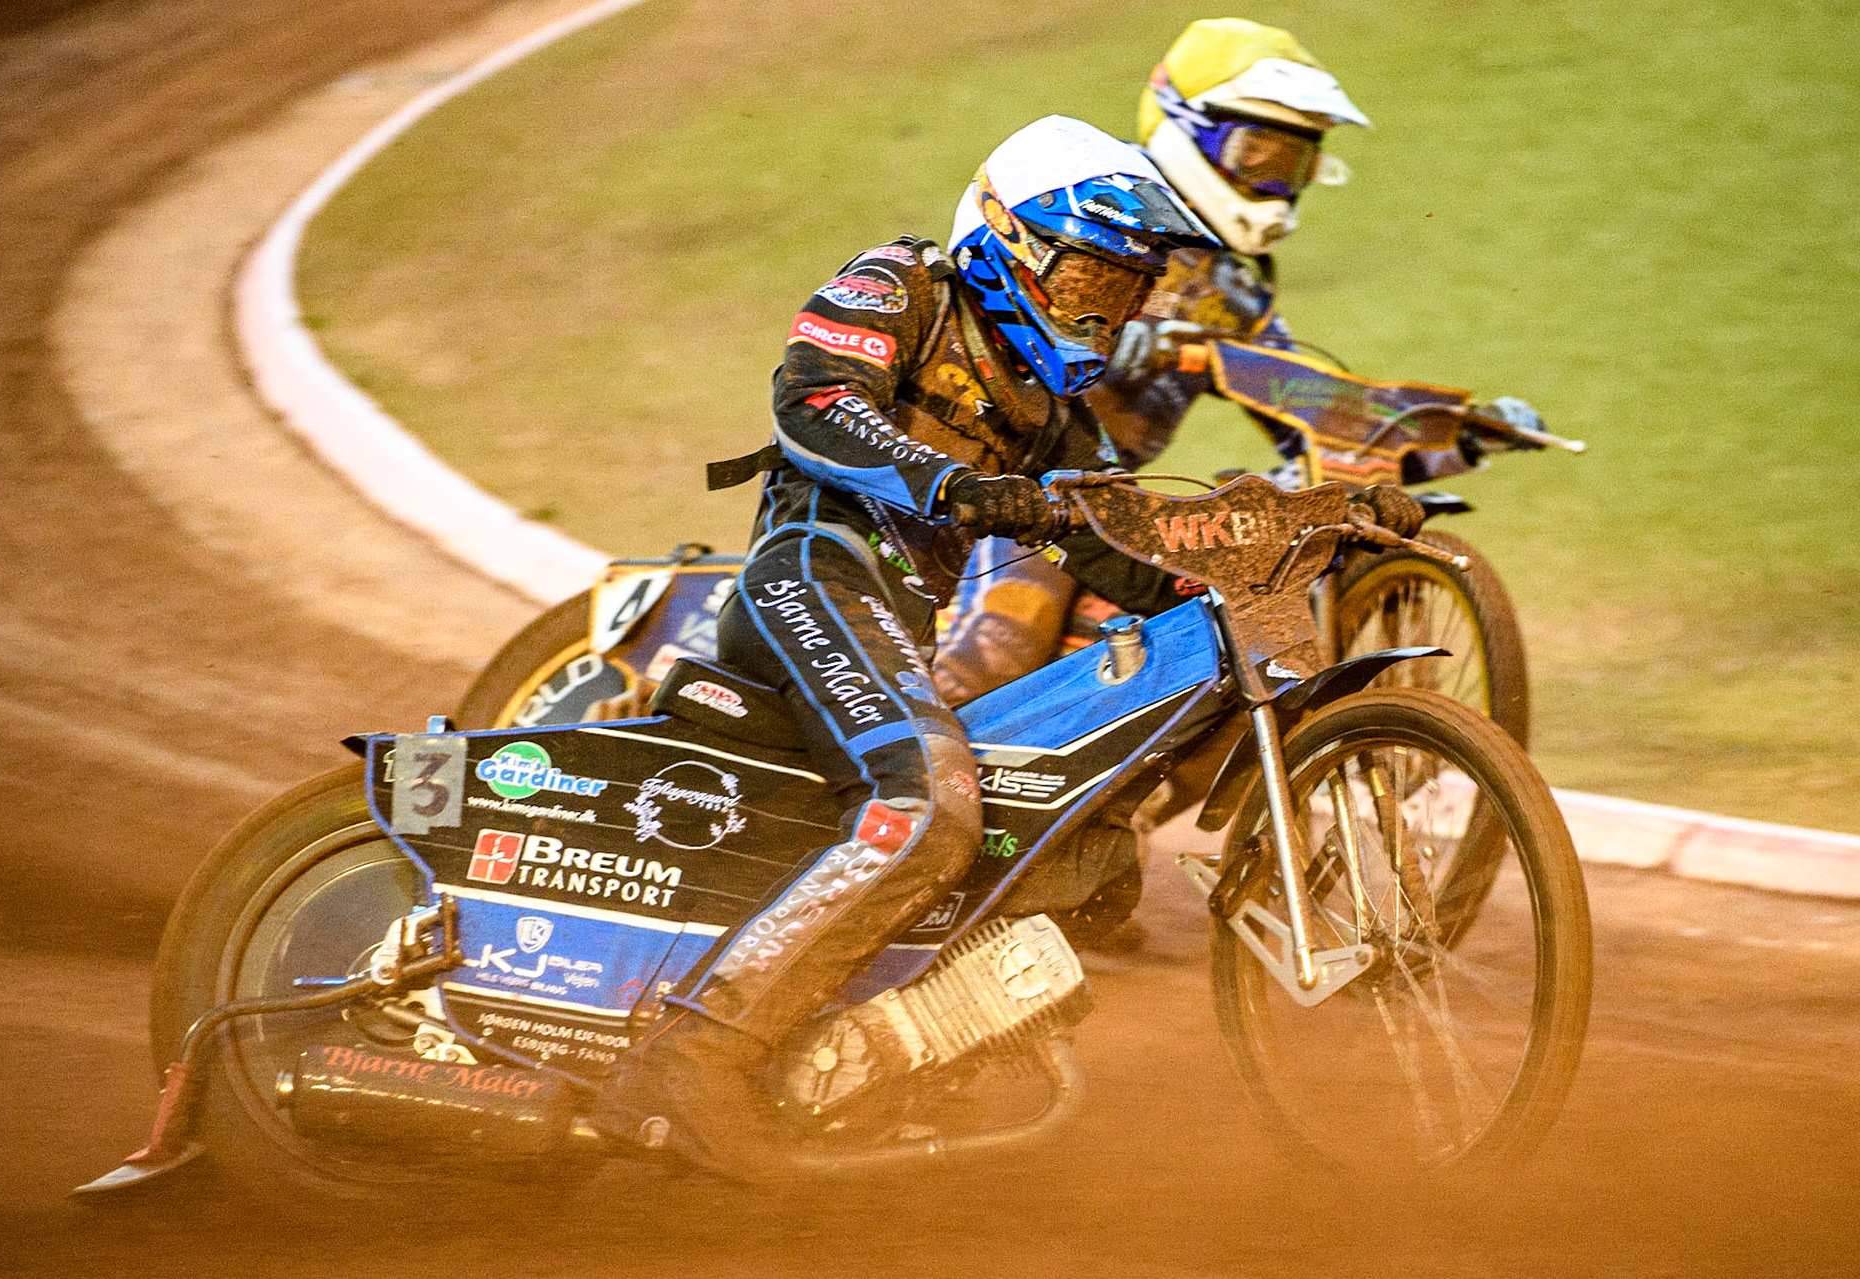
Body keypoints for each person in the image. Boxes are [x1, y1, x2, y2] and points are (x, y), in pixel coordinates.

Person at [589, 116, 1223, 1179]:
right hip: (813, 569)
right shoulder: (904, 284)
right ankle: (694, 1054)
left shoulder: (1051, 410)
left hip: (885, 617)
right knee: (930, 804)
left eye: (1121, 295)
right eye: (1086, 282)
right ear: (1011, 239)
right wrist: (953, 484)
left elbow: (1118, 544)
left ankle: (823, 1047)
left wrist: (1237, 574)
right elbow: (816, 403)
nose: (1103, 313)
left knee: (1009, 827)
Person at [934, 17, 1539, 706]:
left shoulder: (1235, 286)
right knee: (1002, 647)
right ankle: (880, 787)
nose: (1276, 182)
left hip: (1118, 503)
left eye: (1294, 162)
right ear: (1186, 127)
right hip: (1018, 477)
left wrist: (1436, 430)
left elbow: (1292, 391)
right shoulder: (1095, 204)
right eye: (1259, 154)